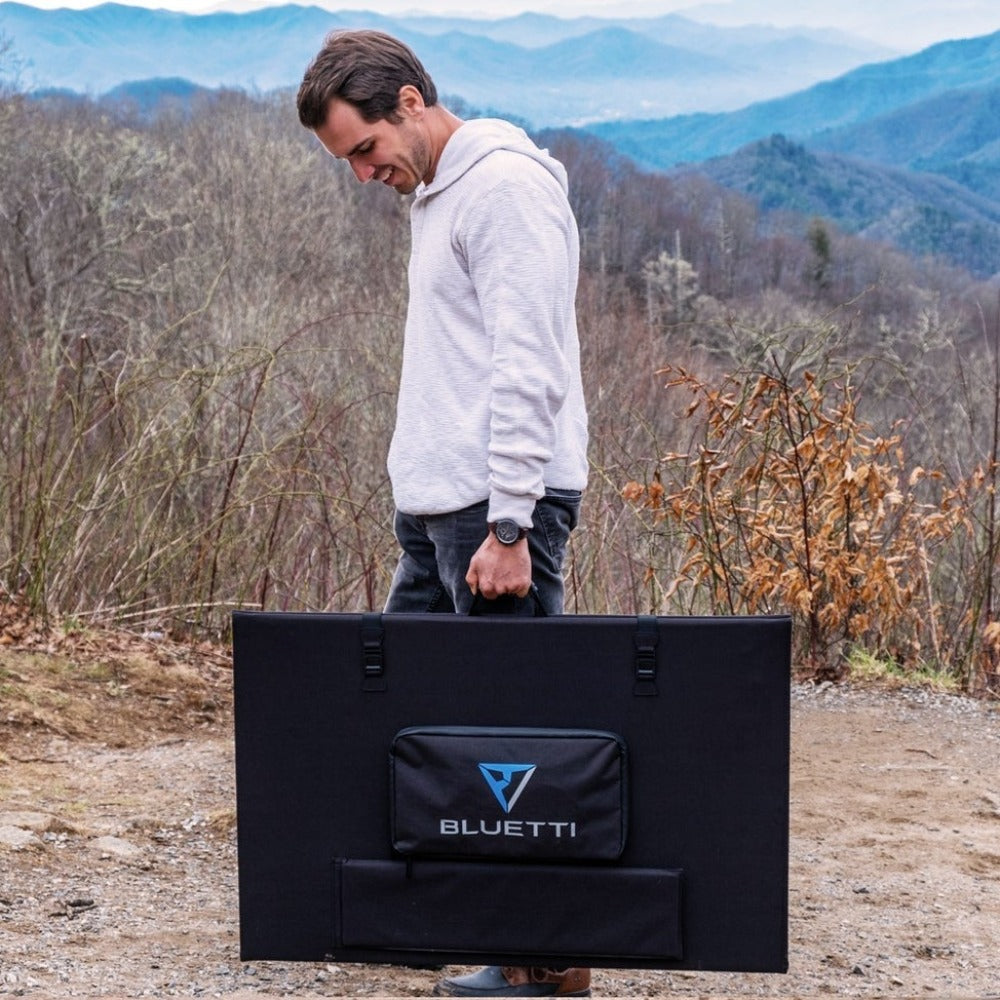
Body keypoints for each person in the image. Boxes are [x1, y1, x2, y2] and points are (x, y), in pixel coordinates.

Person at [297, 30, 590, 997]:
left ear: (411, 103)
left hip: (493, 512)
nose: (362, 173)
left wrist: (510, 525)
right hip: (436, 512)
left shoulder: (503, 187)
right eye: (347, 159)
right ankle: (437, 923)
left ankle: (544, 959)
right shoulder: (438, 192)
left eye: (365, 148)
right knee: (413, 724)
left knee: (513, 747)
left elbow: (528, 361)